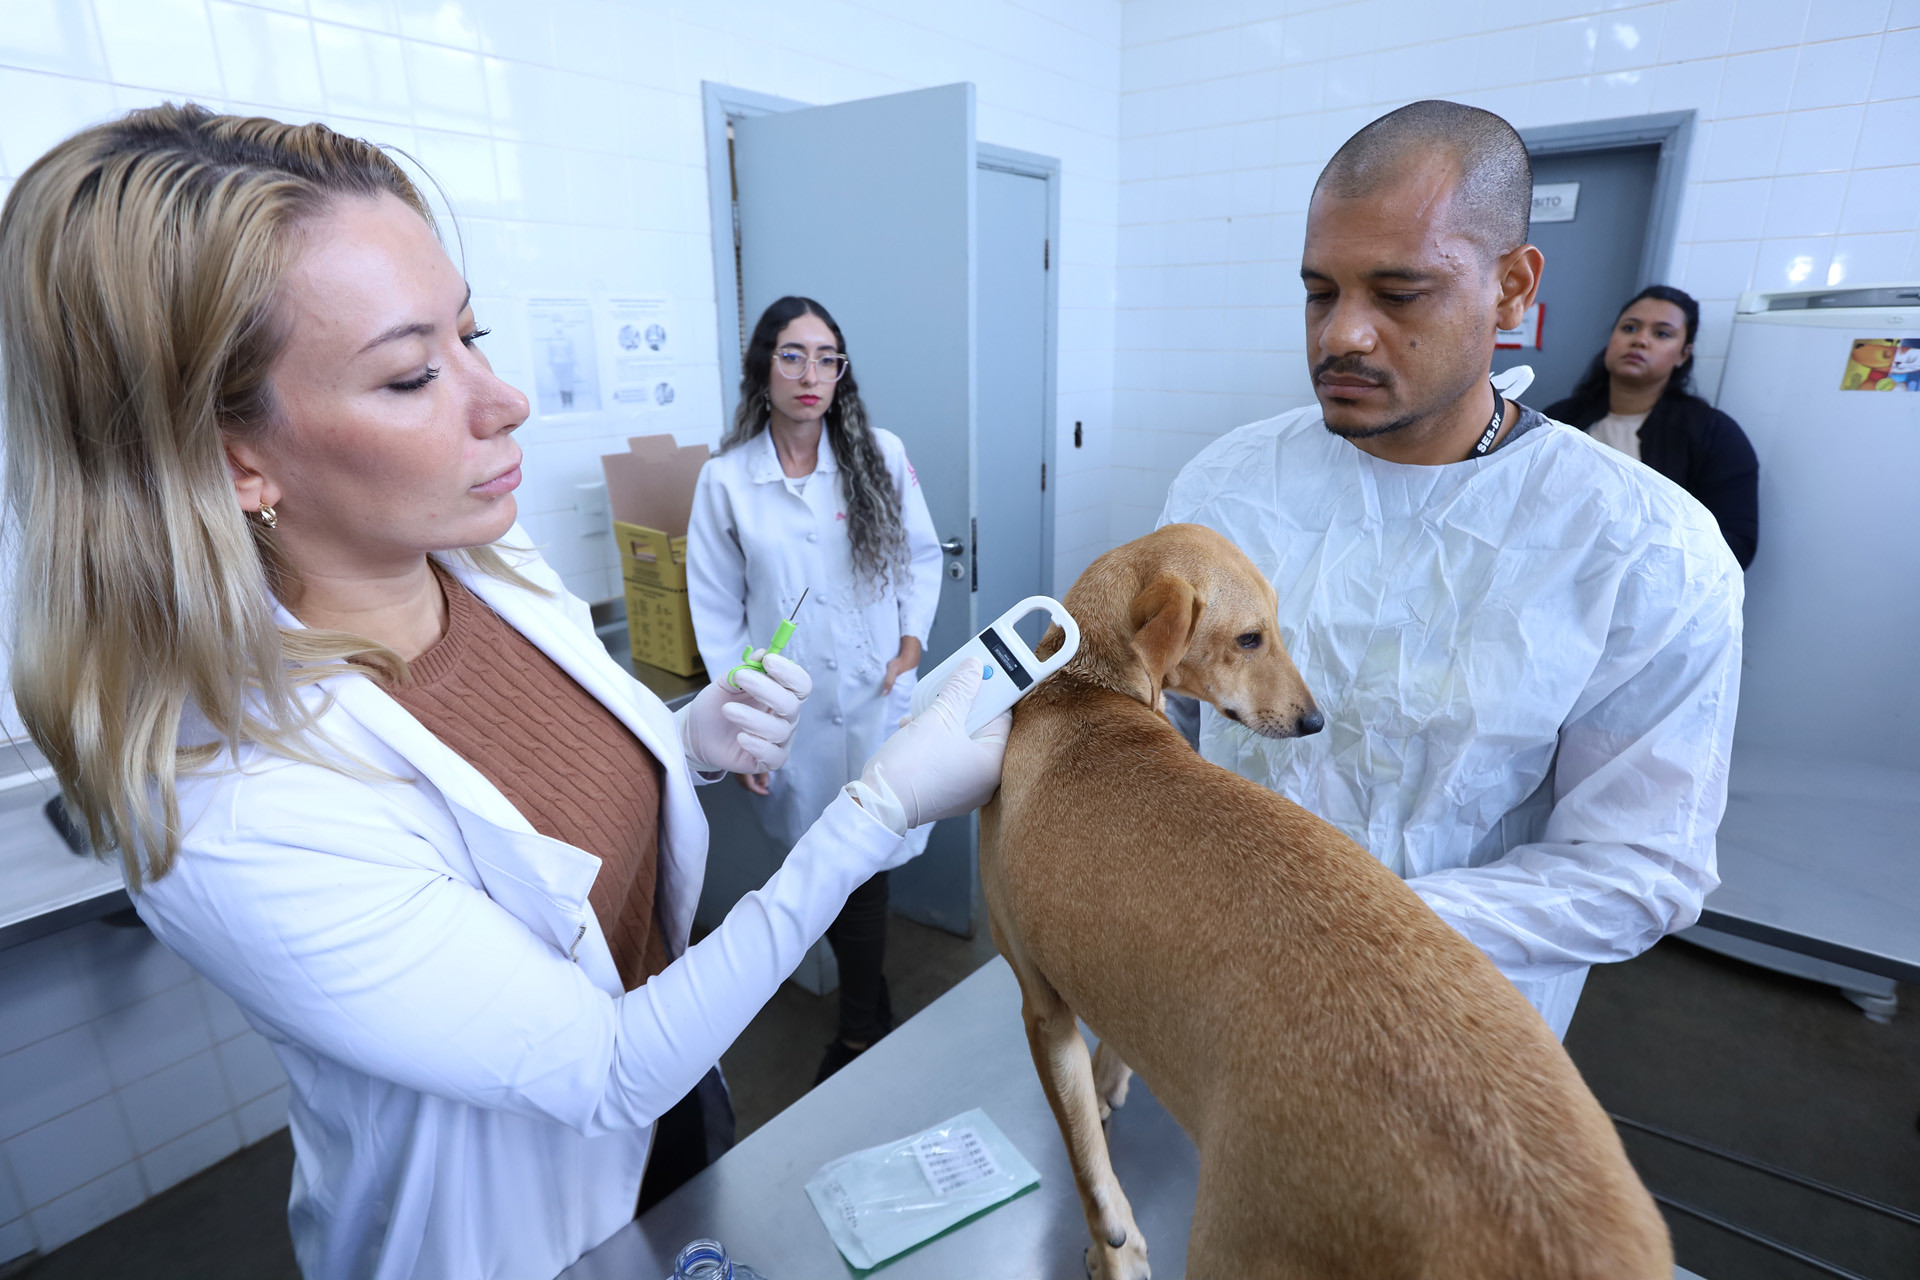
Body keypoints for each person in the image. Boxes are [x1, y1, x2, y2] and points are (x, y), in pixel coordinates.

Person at [0, 105, 1008, 1280]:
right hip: (519, 1236)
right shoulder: (233, 802)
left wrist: (689, 738)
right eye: (414, 373)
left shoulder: (482, 558)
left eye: (471, 333)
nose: (505, 398)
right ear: (236, 460)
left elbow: (540, 828)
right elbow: (608, 1062)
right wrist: (878, 808)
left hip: (680, 1131)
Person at [1159, 100, 1743, 1040]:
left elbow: (1637, 865)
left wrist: (1342, 928)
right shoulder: (1228, 485)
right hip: (1219, 991)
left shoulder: (1642, 545)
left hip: (1462, 1028)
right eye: (1319, 292)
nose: (1341, 335)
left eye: (1398, 295)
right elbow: (1165, 722)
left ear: (1512, 289)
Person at [686, 297, 942, 1083]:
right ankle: (873, 1003)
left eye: (827, 358)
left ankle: (859, 1029)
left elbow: (919, 555)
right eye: (793, 355)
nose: (811, 374)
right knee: (818, 865)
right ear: (763, 367)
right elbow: (716, 610)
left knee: (864, 865)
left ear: (841, 373)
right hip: (787, 713)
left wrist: (911, 641)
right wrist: (742, 722)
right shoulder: (727, 481)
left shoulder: (879, 454)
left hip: (875, 698)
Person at [1544, 285, 1759, 568]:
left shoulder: (1715, 434)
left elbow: (1736, 546)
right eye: (1629, 328)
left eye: (1662, 334)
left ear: (1683, 354)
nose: (1640, 340)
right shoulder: (1558, 419)